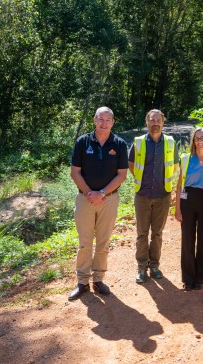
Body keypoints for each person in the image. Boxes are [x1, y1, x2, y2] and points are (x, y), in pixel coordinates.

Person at [68, 107, 128, 300]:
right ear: (94, 120)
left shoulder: (119, 144)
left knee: (103, 242)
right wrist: (89, 193)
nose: (103, 123)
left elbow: (122, 174)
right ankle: (82, 282)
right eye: (100, 119)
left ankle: (99, 279)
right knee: (85, 243)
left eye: (107, 120)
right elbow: (75, 171)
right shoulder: (82, 142)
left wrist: (101, 193)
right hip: (85, 199)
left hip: (109, 200)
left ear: (113, 122)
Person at [129, 109, 179, 284]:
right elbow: (131, 163)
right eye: (152, 120)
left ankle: (155, 266)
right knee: (142, 233)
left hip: (162, 194)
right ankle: (141, 267)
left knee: (157, 234)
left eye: (158, 120)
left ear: (163, 123)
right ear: (147, 122)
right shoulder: (138, 142)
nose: (155, 123)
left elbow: (174, 165)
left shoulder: (171, 143)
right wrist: (142, 180)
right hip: (142, 195)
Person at [174, 128, 203, 291]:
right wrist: (177, 209)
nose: (200, 141)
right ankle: (188, 278)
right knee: (187, 239)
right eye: (197, 138)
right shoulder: (186, 159)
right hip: (188, 199)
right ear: (193, 141)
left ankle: (201, 277)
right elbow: (179, 186)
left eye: (202, 137)